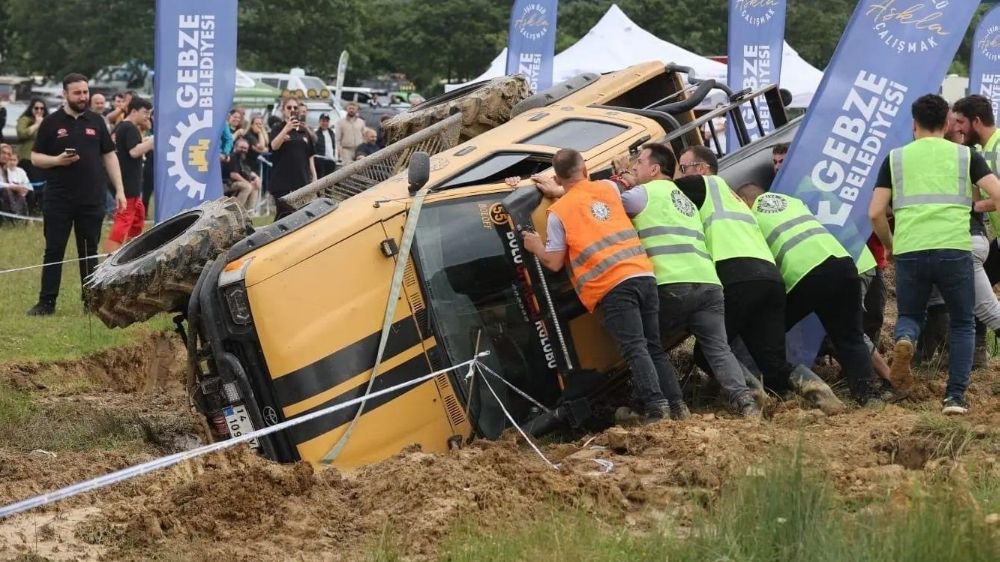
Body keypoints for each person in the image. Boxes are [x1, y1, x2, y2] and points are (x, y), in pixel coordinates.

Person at [520, 148, 687, 422]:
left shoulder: (557, 213)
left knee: (635, 348)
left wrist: (535, 244)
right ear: (585, 170)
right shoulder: (608, 188)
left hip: (611, 286)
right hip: (642, 275)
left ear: (558, 179)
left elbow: (553, 262)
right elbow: (590, 199)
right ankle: (678, 406)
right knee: (652, 346)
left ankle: (658, 409)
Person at [674, 145, 843, 414]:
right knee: (773, 362)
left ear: (702, 169)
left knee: (707, 351)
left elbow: (662, 192)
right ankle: (821, 393)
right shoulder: (735, 199)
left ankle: (753, 399)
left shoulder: (704, 186)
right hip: (770, 279)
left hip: (737, 276)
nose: (680, 174)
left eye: (683, 168)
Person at [870, 94, 1000, 415]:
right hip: (955, 247)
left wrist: (891, 245)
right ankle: (954, 397)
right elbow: (997, 193)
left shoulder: (896, 158)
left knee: (911, 316)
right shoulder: (965, 156)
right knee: (962, 323)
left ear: (914, 124)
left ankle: (906, 341)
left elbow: (875, 212)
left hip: (911, 248)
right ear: (946, 124)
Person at [615, 143, 761, 417]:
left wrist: (623, 176)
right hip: (707, 283)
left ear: (654, 169)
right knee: (718, 348)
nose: (636, 168)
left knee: (647, 344)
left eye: (639, 164)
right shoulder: (686, 200)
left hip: (671, 284)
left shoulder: (644, 193)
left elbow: (609, 204)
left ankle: (667, 405)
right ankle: (747, 403)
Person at [736, 183, 882, 403]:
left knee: (768, 333)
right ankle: (869, 397)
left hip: (805, 276)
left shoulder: (751, 218)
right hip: (843, 265)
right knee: (850, 336)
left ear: (744, 201)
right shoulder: (792, 202)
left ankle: (781, 389)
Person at [27, 73, 126, 316]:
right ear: (65, 94)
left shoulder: (96, 121)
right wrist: (57, 160)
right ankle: (46, 303)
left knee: (89, 250)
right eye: (77, 93)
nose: (83, 97)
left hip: (91, 198)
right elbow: (35, 157)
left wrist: (120, 190)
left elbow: (109, 155)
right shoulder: (51, 123)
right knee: (54, 250)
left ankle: (90, 302)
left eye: (85, 92)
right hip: (58, 198)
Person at [104, 96, 154, 252]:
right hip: (127, 183)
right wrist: (154, 141)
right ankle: (109, 258)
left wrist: (145, 140)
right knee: (124, 220)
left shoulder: (121, 127)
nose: (147, 116)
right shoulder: (130, 127)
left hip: (127, 181)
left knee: (138, 217)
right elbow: (133, 151)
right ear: (133, 111)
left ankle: (131, 252)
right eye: (145, 112)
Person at [268, 97, 316, 220]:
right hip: (282, 181)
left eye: (295, 108)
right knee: (283, 217)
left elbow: (310, 155)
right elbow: (274, 146)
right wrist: (286, 129)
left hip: (301, 180)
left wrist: (314, 177)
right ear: (283, 110)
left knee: (301, 217)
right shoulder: (278, 128)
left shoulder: (304, 130)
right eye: (289, 107)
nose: (292, 110)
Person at [224, 137, 261, 211]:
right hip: (226, 184)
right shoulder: (232, 156)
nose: (243, 150)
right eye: (241, 147)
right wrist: (247, 182)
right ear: (235, 146)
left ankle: (249, 212)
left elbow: (248, 171)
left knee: (254, 185)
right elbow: (233, 175)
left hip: (235, 183)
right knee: (247, 186)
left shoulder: (242, 158)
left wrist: (256, 178)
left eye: (245, 148)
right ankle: (236, 211)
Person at [16, 98, 47, 177]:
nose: (39, 110)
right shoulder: (25, 119)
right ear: (31, 108)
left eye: (42, 108)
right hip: (27, 158)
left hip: (43, 159)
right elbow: (22, 134)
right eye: (36, 108)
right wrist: (36, 124)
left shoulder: (47, 120)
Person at [0, 143, 32, 217]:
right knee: (6, 190)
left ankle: (22, 217)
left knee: (26, 191)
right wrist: (13, 186)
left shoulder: (6, 168)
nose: (6, 156)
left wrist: (20, 188)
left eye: (8, 154)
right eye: (3, 153)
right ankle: (12, 217)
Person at [314, 113, 337, 177]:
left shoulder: (331, 133)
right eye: (323, 121)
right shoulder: (316, 133)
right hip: (320, 160)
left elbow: (334, 147)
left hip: (330, 161)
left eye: (327, 121)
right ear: (319, 122)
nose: (325, 123)